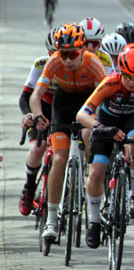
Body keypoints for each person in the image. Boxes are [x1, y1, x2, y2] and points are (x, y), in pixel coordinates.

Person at [29, 24, 106, 241]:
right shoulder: (54, 63)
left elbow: (105, 96)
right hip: (62, 107)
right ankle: (52, 218)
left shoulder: (94, 63)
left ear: (83, 50)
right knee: (60, 158)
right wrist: (37, 115)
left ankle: (92, 176)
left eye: (73, 54)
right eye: (64, 54)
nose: (68, 60)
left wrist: (97, 123)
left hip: (88, 104)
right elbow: (36, 96)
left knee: (89, 135)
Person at [77, 44, 134, 238]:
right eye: (128, 77)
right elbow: (82, 115)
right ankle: (94, 221)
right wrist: (100, 128)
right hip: (107, 122)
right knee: (97, 171)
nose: (133, 82)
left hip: (131, 120)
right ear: (121, 72)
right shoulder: (110, 83)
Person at [18, 30, 58, 216]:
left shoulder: (77, 65)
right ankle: (29, 186)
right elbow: (25, 96)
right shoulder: (41, 64)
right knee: (37, 149)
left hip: (63, 109)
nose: (58, 58)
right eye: (54, 53)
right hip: (41, 107)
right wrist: (28, 115)